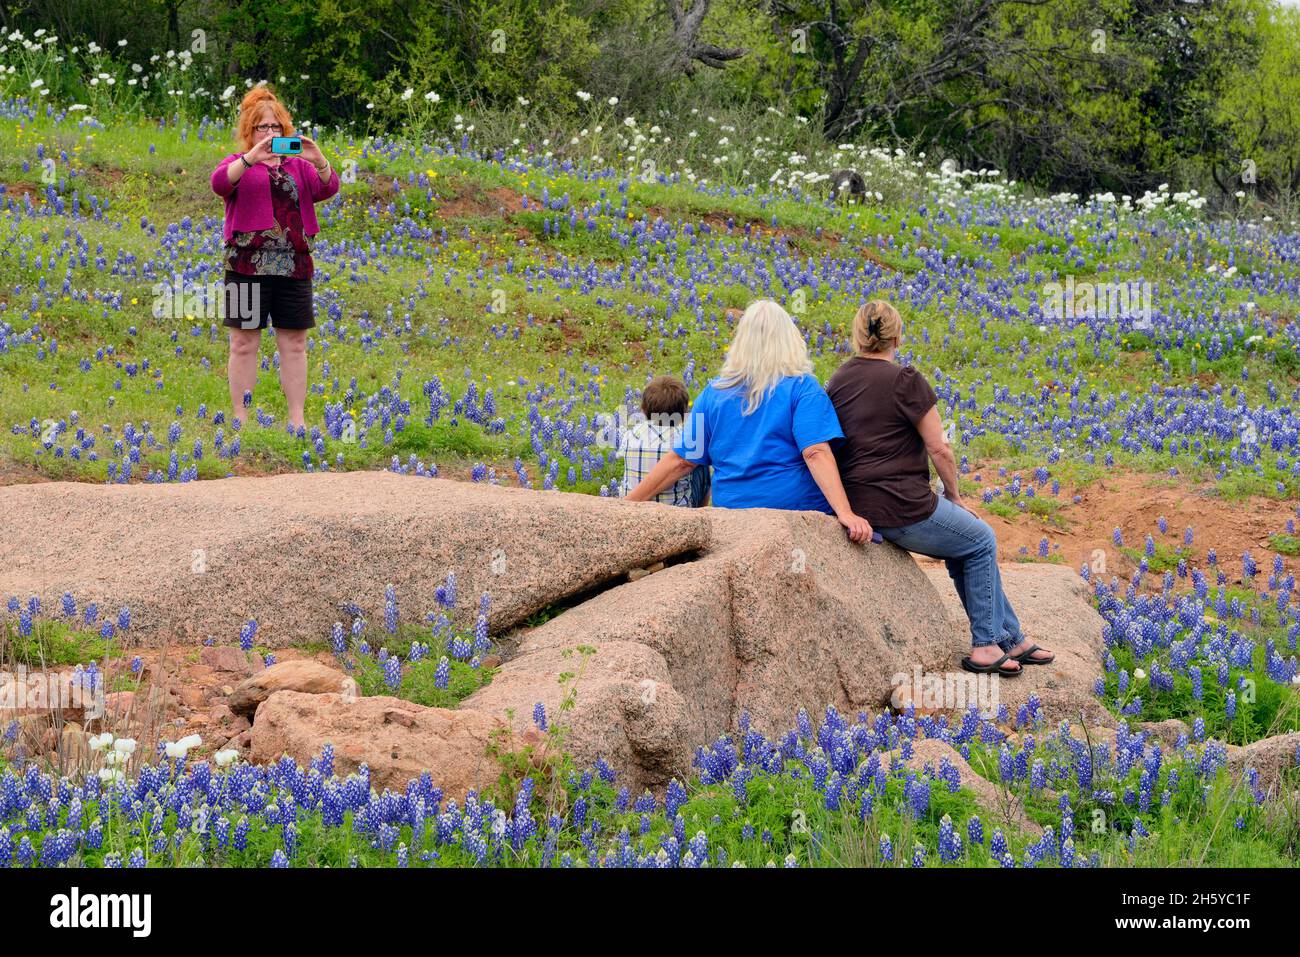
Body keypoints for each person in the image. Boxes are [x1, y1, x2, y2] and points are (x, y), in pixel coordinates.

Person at [826, 300, 1054, 676]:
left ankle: (1010, 636)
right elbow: (939, 448)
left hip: (859, 506)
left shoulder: (838, 381)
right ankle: (985, 645)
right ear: (897, 337)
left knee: (964, 545)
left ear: (857, 337)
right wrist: (955, 496)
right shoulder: (906, 380)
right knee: (980, 539)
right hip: (902, 507)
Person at [626, 300, 871, 544]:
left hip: (733, 517)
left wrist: (627, 505)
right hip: (796, 515)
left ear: (741, 342)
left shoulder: (714, 393)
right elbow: (816, 452)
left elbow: (681, 460)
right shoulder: (803, 388)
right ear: (790, 340)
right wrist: (845, 513)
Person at [210, 86, 340, 431]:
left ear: (286, 130)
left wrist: (319, 159)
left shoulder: (299, 166)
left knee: (295, 343)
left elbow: (328, 187)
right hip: (246, 266)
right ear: (248, 132)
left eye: (275, 128)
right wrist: (251, 157)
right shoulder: (237, 164)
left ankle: (297, 420)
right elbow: (220, 183)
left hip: (294, 265)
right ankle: (241, 419)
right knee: (242, 343)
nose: (269, 135)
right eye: (261, 128)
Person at [617, 375, 710, 506]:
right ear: (683, 414)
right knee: (701, 460)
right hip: (677, 510)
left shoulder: (629, 435)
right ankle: (701, 512)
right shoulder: (685, 440)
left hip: (634, 507)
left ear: (643, 410)